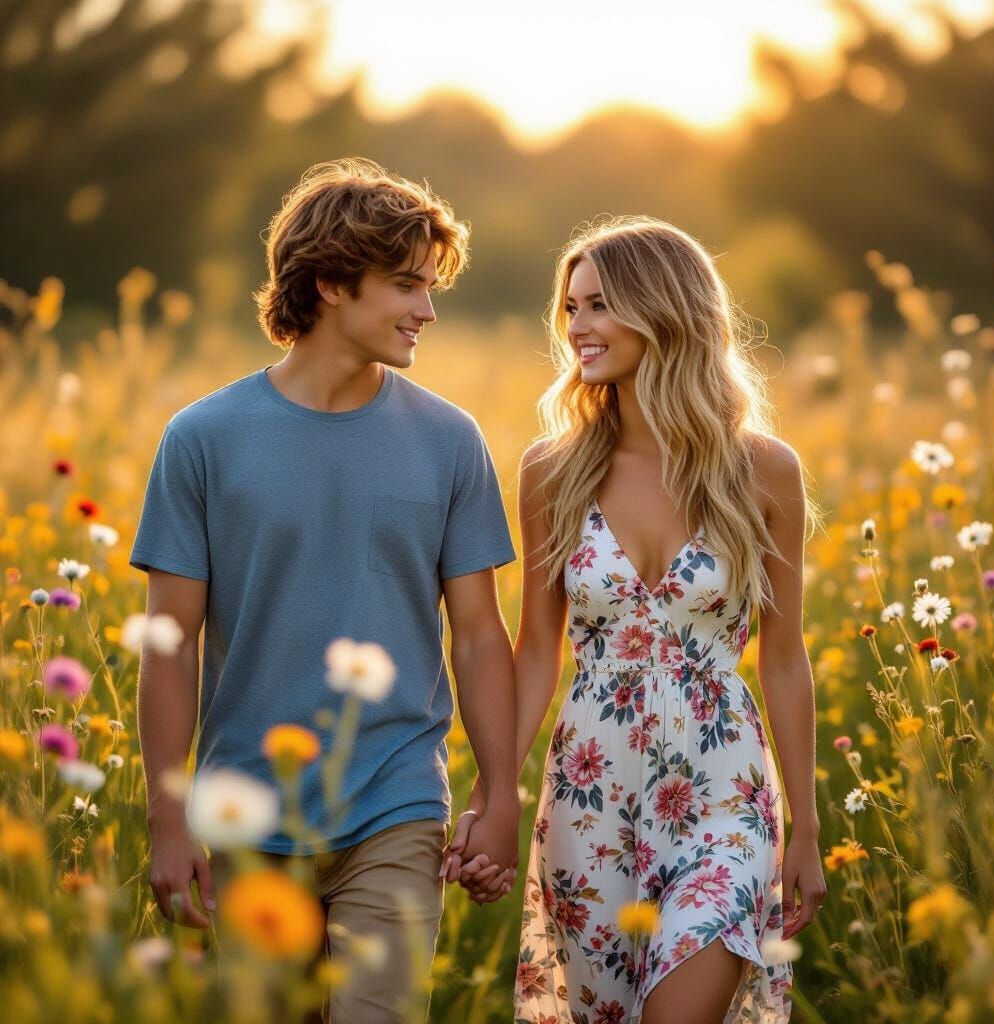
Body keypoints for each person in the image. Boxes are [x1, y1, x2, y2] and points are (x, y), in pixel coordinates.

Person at [130, 157, 521, 1024]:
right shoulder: (202, 439)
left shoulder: (451, 441)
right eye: (406, 286)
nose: (427, 309)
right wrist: (169, 818)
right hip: (245, 813)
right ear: (334, 283)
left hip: (397, 800)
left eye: (430, 287)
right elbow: (171, 642)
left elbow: (480, 638)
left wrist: (500, 793)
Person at [444, 216, 826, 1022]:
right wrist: (496, 792)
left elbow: (785, 657)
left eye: (598, 306)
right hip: (594, 792)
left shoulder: (763, 470)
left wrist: (805, 827)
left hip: (726, 788)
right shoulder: (554, 470)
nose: (576, 326)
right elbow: (536, 652)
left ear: (664, 309)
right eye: (570, 308)